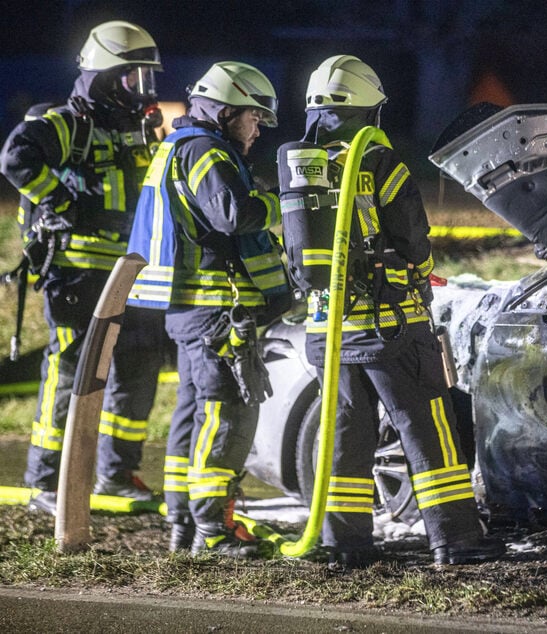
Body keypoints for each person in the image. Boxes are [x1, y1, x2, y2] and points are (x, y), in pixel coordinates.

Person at [295, 55, 505, 567]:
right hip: (390, 331)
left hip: (329, 332)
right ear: (372, 111)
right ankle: (454, 541)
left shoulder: (303, 168)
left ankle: (345, 545)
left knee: (346, 438)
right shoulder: (380, 163)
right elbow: (413, 242)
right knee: (428, 430)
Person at [0, 20, 167, 514]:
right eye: (132, 77)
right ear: (103, 77)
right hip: (76, 271)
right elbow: (15, 157)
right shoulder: (65, 123)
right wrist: (65, 205)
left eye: (145, 78)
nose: (142, 88)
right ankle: (46, 483)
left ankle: (116, 474)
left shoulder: (140, 127)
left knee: (137, 369)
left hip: (132, 272)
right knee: (70, 372)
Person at [126, 61, 289, 557]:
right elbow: (232, 214)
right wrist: (283, 203)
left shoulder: (180, 146)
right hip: (215, 310)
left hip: (192, 312)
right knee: (227, 417)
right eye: (253, 118)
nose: (257, 129)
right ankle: (213, 530)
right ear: (226, 110)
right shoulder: (204, 150)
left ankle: (183, 524)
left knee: (194, 415)